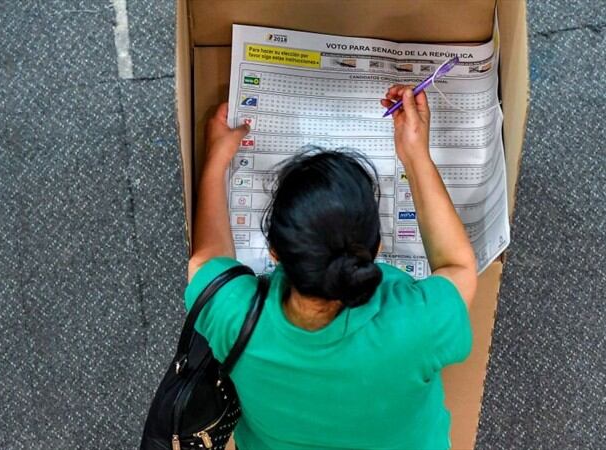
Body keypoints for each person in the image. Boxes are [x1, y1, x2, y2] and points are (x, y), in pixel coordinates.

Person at [186, 85, 477, 449]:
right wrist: (415, 155)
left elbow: (205, 263)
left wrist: (215, 161)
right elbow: (458, 266)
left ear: (274, 252)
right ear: (376, 249)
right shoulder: (416, 326)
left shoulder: (236, 318)